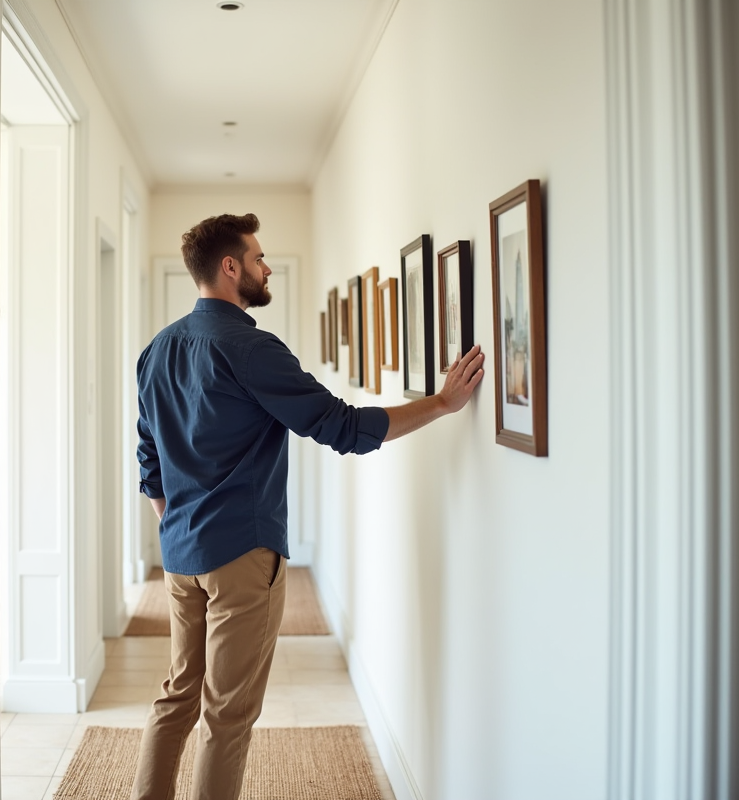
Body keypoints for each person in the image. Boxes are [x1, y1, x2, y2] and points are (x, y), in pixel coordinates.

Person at [132, 213, 484, 800]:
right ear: (229, 267)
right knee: (227, 716)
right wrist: (443, 404)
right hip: (241, 555)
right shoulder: (250, 347)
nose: (266, 267)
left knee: (176, 697)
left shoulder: (157, 350)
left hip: (180, 553)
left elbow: (147, 451)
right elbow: (341, 426)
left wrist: (172, 517)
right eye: (258, 257)